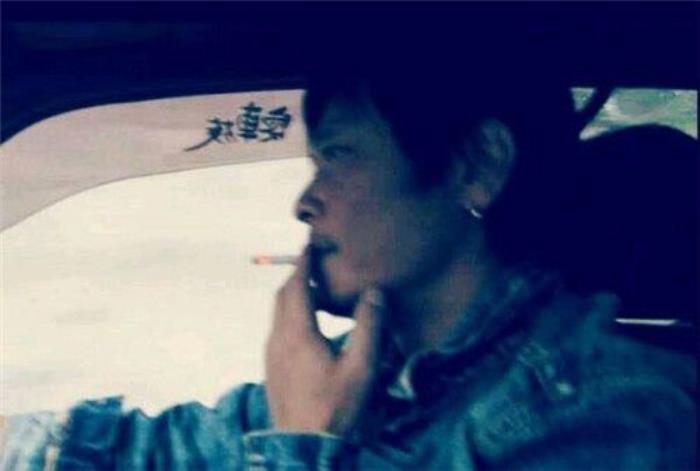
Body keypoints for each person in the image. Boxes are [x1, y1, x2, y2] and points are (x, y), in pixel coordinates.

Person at [1, 43, 696, 470]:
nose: (305, 203)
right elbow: (155, 452)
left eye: (339, 156)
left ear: (476, 166)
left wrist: (307, 446)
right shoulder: (378, 375)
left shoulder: (613, 415)